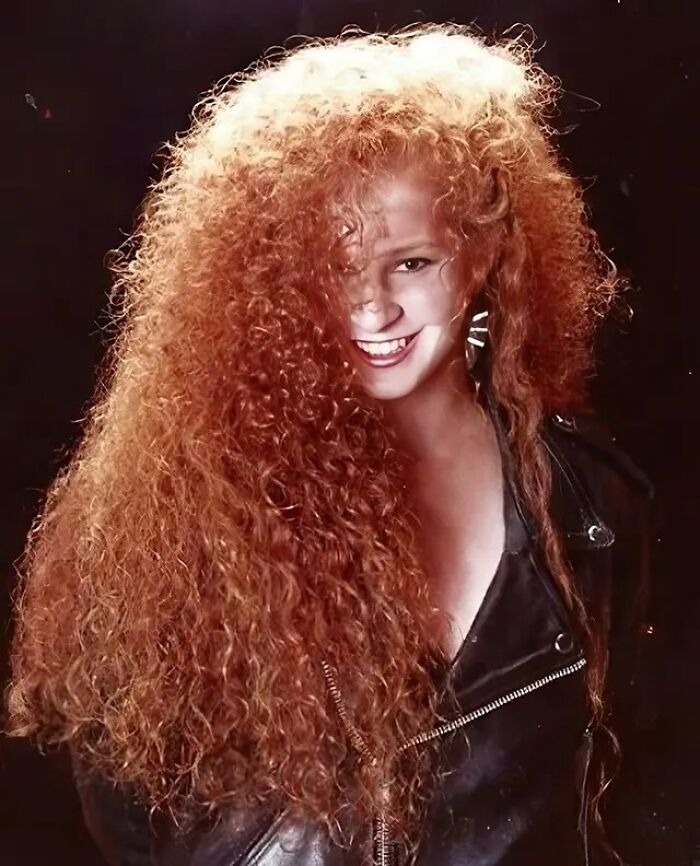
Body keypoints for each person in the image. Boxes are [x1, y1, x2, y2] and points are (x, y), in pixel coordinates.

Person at [4, 24, 654, 866]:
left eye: (411, 262)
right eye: (330, 267)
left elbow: (621, 788)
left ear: (485, 254)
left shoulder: (592, 506)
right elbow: (134, 816)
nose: (370, 309)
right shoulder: (169, 520)